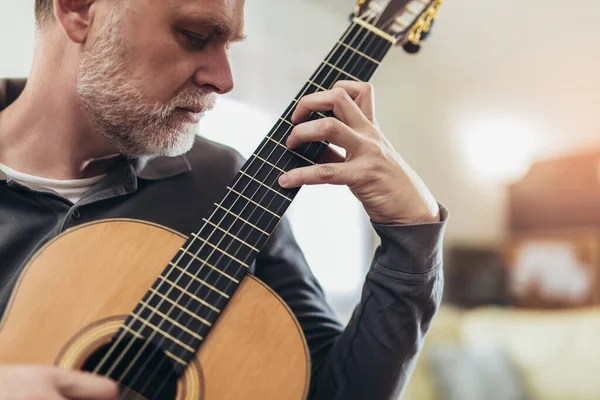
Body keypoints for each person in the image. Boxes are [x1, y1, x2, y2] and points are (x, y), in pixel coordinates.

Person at [0, 0, 448, 399]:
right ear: (78, 9)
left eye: (228, 45)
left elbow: (334, 390)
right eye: (195, 37)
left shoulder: (228, 184)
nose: (224, 79)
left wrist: (413, 234)